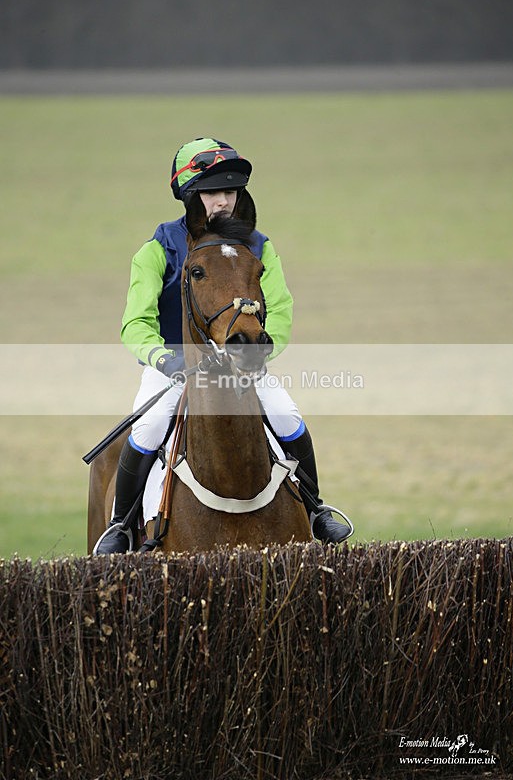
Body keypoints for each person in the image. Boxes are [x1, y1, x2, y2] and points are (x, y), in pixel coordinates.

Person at [94, 137, 352, 554]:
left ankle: (317, 510)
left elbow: (280, 308)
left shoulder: (259, 246)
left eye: (230, 191)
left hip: (244, 363)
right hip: (176, 369)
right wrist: (163, 357)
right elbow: (136, 323)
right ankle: (122, 526)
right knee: (147, 427)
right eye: (213, 192)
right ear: (192, 196)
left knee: (287, 416)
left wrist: (262, 350)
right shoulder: (156, 249)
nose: (223, 202)